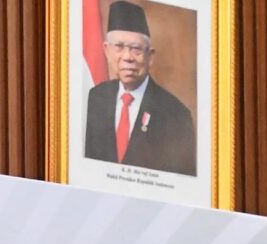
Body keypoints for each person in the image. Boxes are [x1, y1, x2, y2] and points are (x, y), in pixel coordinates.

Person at [81, 1, 196, 177]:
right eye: (119, 47)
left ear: (150, 57)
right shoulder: (95, 97)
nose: (127, 57)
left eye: (136, 49)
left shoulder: (176, 115)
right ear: (107, 50)